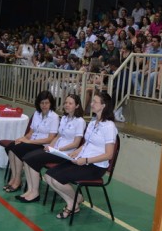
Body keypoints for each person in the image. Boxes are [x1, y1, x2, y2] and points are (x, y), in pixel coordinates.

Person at [44, 91, 118, 219]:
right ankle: (74, 201)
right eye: (92, 101)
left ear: (104, 105)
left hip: (95, 166)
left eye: (95, 102)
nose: (91, 103)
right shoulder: (93, 122)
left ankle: (72, 204)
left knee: (56, 179)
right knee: (48, 176)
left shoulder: (109, 126)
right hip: (82, 160)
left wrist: (86, 159)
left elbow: (109, 154)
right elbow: (87, 143)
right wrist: (75, 152)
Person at [15, 94, 86, 203]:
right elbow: (58, 136)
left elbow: (76, 144)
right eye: (66, 103)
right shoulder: (65, 118)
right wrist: (51, 146)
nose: (67, 105)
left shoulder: (80, 121)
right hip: (56, 150)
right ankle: (30, 190)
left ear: (77, 106)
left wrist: (60, 149)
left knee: (33, 159)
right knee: (27, 157)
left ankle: (35, 192)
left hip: (66, 154)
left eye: (70, 103)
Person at [3, 91, 59, 193]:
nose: (44, 105)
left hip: (41, 144)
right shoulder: (37, 114)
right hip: (32, 142)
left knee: (18, 149)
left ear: (51, 103)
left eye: (46, 103)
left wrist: (29, 142)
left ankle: (18, 180)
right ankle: (14, 177)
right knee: (12, 146)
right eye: (42, 103)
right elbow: (30, 132)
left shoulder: (54, 117)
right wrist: (22, 139)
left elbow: (51, 138)